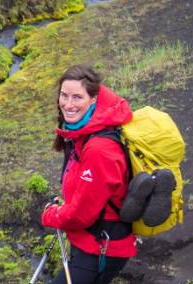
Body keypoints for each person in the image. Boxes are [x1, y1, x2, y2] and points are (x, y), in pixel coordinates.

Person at [41, 64, 135, 284]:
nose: (68, 104)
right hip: (92, 242)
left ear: (93, 99)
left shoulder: (99, 149)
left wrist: (51, 215)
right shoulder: (85, 133)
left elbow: (81, 215)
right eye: (64, 96)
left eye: (77, 97)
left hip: (100, 248)